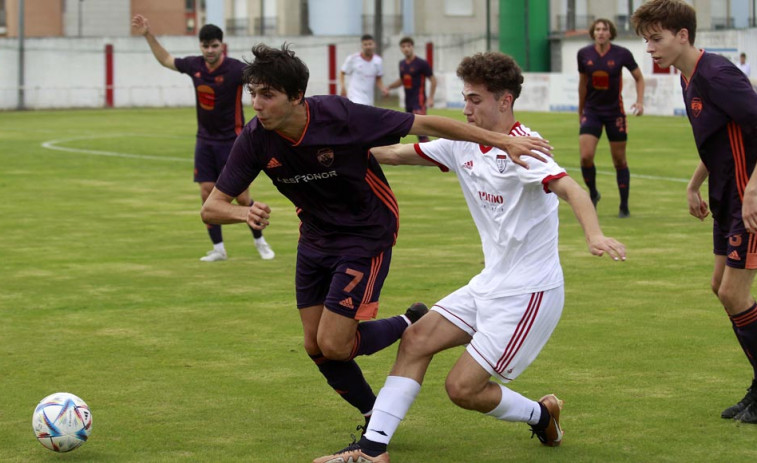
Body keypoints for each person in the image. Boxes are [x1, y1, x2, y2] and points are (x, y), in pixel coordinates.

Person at [200, 44, 555, 431]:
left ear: (296, 96)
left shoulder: (340, 115)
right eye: (253, 94)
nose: (257, 104)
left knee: (335, 344)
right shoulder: (255, 139)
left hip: (366, 232)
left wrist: (503, 141)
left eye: (267, 95)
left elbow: (428, 123)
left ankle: (405, 324)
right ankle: (373, 414)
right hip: (315, 237)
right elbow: (211, 207)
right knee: (314, 346)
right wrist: (242, 212)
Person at [313, 51, 627, 463]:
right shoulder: (461, 144)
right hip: (489, 283)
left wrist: (595, 234)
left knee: (462, 389)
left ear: (504, 101)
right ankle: (373, 451)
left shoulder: (525, 149)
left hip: (529, 294)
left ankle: (540, 415)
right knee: (415, 339)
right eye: (465, 98)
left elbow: (573, 189)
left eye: (475, 99)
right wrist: (328, 145)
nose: (466, 109)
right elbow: (389, 153)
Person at [633, 0, 757, 424]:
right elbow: (719, 138)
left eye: (656, 38)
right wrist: (693, 183)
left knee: (733, 293)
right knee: (720, 287)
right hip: (726, 200)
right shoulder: (688, 77)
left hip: (748, 200)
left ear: (682, 35)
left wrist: (755, 186)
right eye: (646, 40)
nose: (649, 48)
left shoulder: (718, 73)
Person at [131, 14, 274, 262]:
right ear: (201, 46)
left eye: (214, 45)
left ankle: (259, 240)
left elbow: (261, 77)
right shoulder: (194, 66)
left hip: (232, 141)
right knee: (207, 195)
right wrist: (147, 34)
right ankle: (219, 249)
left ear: (222, 45)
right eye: (205, 45)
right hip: (205, 141)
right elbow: (166, 59)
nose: (210, 50)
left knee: (241, 196)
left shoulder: (236, 70)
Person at [577, 18, 645, 218]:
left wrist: (640, 101)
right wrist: (580, 111)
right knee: (586, 156)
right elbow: (582, 84)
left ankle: (624, 205)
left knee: (619, 160)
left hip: (615, 112)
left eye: (604, 29)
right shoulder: (584, 54)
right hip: (592, 111)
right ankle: (593, 194)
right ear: (593, 32)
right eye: (597, 29)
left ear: (610, 33)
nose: (600, 32)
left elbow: (639, 77)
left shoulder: (622, 53)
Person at [387, 36, 437, 142]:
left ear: (412, 47)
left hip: (419, 101)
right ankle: (426, 153)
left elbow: (433, 80)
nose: (406, 48)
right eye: (403, 46)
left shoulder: (421, 63)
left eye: (408, 46)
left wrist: (431, 98)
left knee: (421, 131)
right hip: (408, 101)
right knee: (411, 129)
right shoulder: (402, 64)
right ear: (401, 48)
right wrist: (389, 87)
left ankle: (430, 155)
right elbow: (402, 80)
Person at [339, 34, 389, 106]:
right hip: (355, 97)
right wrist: (343, 87)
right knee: (358, 115)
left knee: (368, 115)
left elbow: (378, 78)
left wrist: (383, 89)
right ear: (362, 46)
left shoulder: (378, 61)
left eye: (370, 44)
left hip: (369, 99)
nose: (368, 47)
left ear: (374, 45)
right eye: (365, 44)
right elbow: (342, 72)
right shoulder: (353, 58)